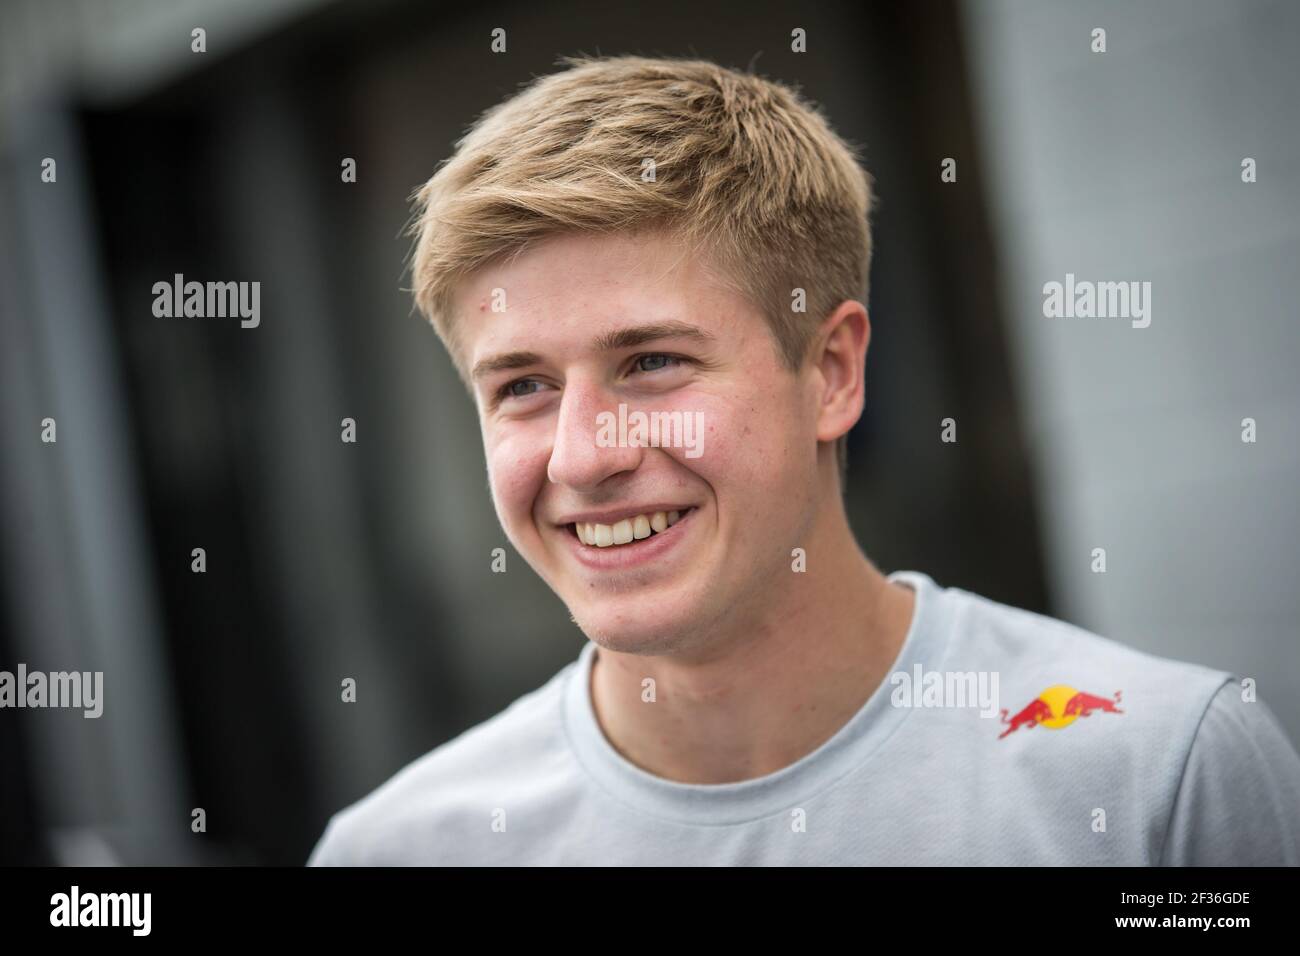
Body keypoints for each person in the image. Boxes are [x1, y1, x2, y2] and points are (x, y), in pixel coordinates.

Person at [308, 55, 1300, 865]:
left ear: (830, 371)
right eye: (521, 386)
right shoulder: (395, 851)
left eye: (651, 362)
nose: (580, 456)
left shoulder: (1159, 778)